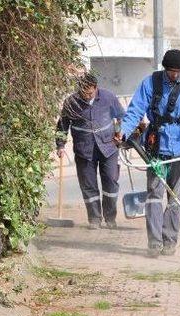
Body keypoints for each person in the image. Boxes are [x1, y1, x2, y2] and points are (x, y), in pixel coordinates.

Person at [117, 49, 180, 257]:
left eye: (178, 72)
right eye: (171, 71)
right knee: (155, 196)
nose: (174, 75)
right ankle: (155, 242)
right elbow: (135, 111)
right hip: (156, 148)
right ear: (164, 68)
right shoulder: (150, 84)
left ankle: (170, 241)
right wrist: (123, 132)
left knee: (175, 198)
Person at [56, 73, 125, 230]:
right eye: (83, 93)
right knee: (88, 185)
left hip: (109, 147)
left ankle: (110, 218)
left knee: (111, 183)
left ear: (96, 88)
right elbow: (62, 126)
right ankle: (94, 218)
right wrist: (60, 145)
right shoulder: (71, 102)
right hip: (84, 150)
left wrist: (119, 132)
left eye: (90, 93)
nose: (86, 96)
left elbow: (121, 116)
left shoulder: (108, 98)